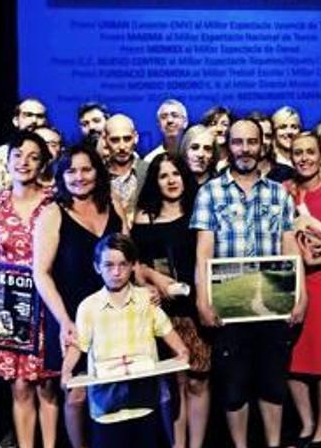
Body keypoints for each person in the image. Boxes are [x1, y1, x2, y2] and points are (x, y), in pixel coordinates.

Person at [191, 118, 307, 448]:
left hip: (273, 302)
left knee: (272, 382)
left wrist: (302, 295)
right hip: (228, 306)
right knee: (233, 386)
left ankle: (272, 443)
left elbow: (290, 247)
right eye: (238, 142)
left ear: (262, 146)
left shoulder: (278, 194)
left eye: (252, 142)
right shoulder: (210, 192)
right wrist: (202, 300)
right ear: (228, 146)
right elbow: (203, 250)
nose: (245, 149)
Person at [0, 131, 59, 448]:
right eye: (18, 155)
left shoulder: (54, 199)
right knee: (20, 385)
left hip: (47, 300)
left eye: (33, 156)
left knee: (47, 383)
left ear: (44, 163)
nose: (24, 162)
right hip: (9, 305)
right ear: (7, 161)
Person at [33, 144, 124, 448]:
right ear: (61, 176)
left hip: (115, 315)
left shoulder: (115, 205)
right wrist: (64, 321)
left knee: (116, 390)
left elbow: (128, 262)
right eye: (71, 170)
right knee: (77, 395)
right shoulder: (52, 213)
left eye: (86, 169)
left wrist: (151, 286)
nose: (79, 177)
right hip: (72, 317)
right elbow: (41, 273)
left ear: (98, 172)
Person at [60, 234, 189, 447]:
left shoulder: (145, 299)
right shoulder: (88, 307)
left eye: (123, 265)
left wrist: (181, 350)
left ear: (132, 266)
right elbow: (78, 344)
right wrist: (66, 371)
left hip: (143, 402)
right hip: (107, 406)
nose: (116, 272)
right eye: (108, 265)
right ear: (97, 267)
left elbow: (165, 329)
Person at [132, 153, 210, 448]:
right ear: (155, 181)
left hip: (195, 305)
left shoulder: (199, 212)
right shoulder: (143, 217)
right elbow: (135, 265)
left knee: (198, 379)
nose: (171, 180)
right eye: (163, 176)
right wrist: (153, 280)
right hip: (160, 310)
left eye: (176, 173)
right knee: (172, 383)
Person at [283, 133, 321, 447]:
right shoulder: (283, 193)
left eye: (309, 152)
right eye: (297, 153)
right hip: (290, 284)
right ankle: (306, 425)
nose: (304, 158)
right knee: (293, 358)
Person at [0, 98, 47, 205]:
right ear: (16, 120)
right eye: (28, 115)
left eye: (39, 116)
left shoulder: (56, 154)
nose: (34, 120)